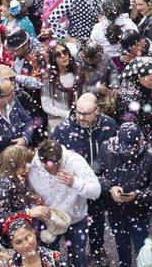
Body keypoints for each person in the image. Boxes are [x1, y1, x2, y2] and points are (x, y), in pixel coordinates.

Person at [50, 93, 118, 265]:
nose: (80, 117)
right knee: (76, 222)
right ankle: (74, 254)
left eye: (86, 113)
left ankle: (97, 249)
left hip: (99, 182)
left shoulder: (109, 125)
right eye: (78, 112)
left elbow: (115, 154)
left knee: (98, 218)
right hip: (74, 185)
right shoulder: (63, 129)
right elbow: (54, 158)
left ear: (98, 110)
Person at [97, 123, 152, 267]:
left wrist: (138, 195)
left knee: (144, 251)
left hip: (139, 214)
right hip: (115, 211)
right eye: (124, 150)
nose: (127, 154)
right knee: (121, 249)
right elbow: (95, 175)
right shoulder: (105, 148)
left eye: (131, 150)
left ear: (141, 141)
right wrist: (110, 188)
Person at [27, 139, 101, 267]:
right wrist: (33, 199)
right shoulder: (34, 165)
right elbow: (27, 190)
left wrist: (75, 183)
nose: (54, 172)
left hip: (75, 220)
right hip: (48, 220)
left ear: (61, 159)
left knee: (78, 261)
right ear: (41, 162)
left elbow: (96, 191)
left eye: (57, 167)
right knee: (49, 261)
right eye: (49, 169)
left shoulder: (75, 161)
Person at [0, 212, 64, 266]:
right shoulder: (11, 265)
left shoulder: (54, 258)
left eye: (27, 237)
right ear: (12, 244)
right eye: (18, 242)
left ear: (34, 233)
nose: (26, 245)